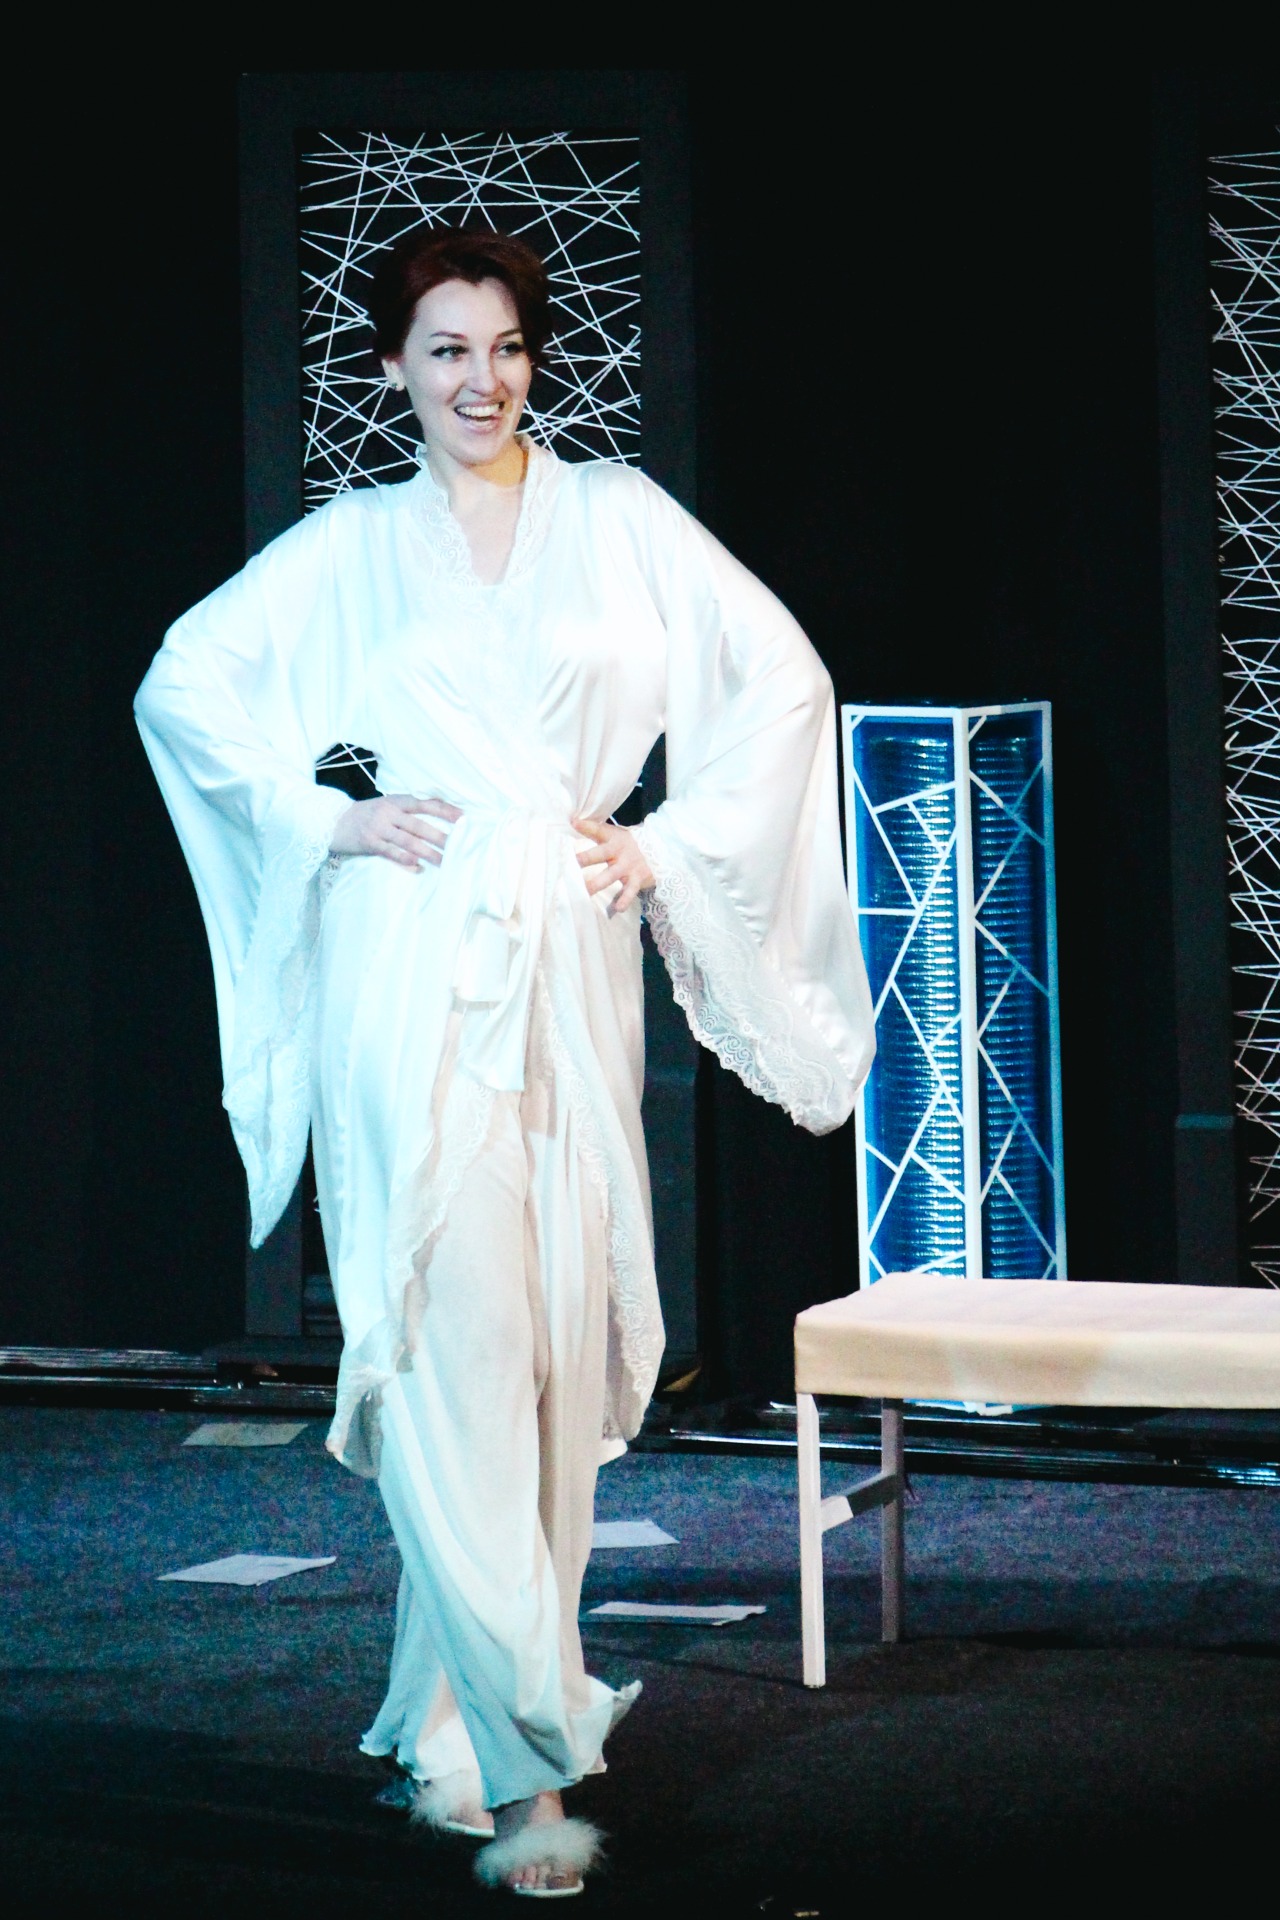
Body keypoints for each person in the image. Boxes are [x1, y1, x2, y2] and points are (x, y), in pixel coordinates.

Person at [136, 226, 874, 1897]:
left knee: (538, 1367)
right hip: (409, 973)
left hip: (570, 967)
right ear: (393, 369)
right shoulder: (350, 546)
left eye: (507, 348)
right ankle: (540, 1771)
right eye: (448, 350)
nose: (483, 380)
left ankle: (448, 1727)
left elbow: (781, 678)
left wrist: (663, 847)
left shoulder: (619, 520)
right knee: (451, 1344)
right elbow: (185, 689)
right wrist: (331, 821)